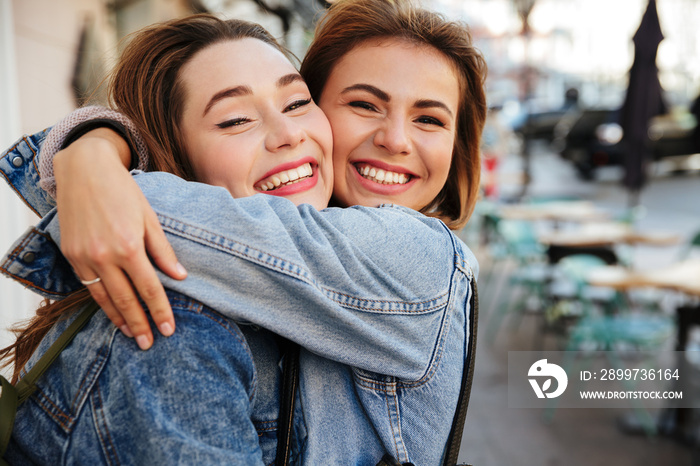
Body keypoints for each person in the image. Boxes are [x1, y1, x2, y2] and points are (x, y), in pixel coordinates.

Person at [1, 0, 486, 464]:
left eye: (429, 119)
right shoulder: (176, 331)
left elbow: (124, 206)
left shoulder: (419, 254)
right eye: (363, 104)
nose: (395, 139)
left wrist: (89, 158)